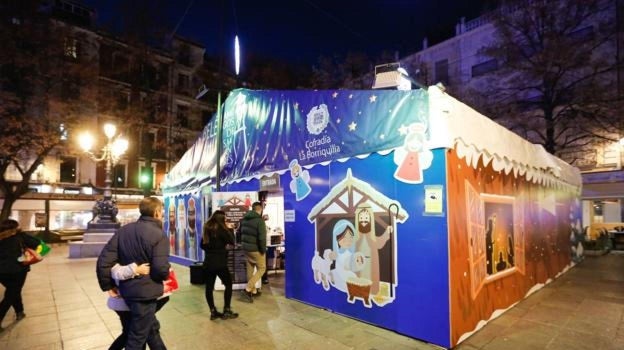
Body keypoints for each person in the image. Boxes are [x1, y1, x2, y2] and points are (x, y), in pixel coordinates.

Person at [97, 197, 170, 350]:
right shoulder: (159, 235)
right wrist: (164, 273)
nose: (162, 214)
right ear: (157, 212)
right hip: (146, 294)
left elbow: (104, 261)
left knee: (151, 330)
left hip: (127, 291)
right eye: (162, 211)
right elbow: (160, 270)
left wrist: (108, 285)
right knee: (136, 339)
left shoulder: (123, 231)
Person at [0, 219, 40, 332]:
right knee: (10, 295)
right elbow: (38, 244)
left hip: (1, 273)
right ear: (15, 228)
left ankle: (19, 312)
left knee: (13, 291)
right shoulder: (21, 236)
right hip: (18, 270)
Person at [201, 210, 238, 320]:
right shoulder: (223, 230)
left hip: (208, 263)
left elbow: (202, 245)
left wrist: (211, 250)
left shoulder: (206, 229)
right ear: (222, 219)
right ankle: (226, 309)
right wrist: (230, 229)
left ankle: (213, 311)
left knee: (209, 288)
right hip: (220, 263)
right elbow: (232, 242)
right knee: (228, 284)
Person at [239, 201, 267, 302]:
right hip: (256, 249)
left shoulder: (245, 219)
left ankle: (253, 291)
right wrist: (263, 250)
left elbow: (240, 232)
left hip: (246, 248)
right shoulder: (259, 221)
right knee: (262, 268)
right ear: (260, 209)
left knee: (250, 268)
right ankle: (247, 289)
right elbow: (262, 238)